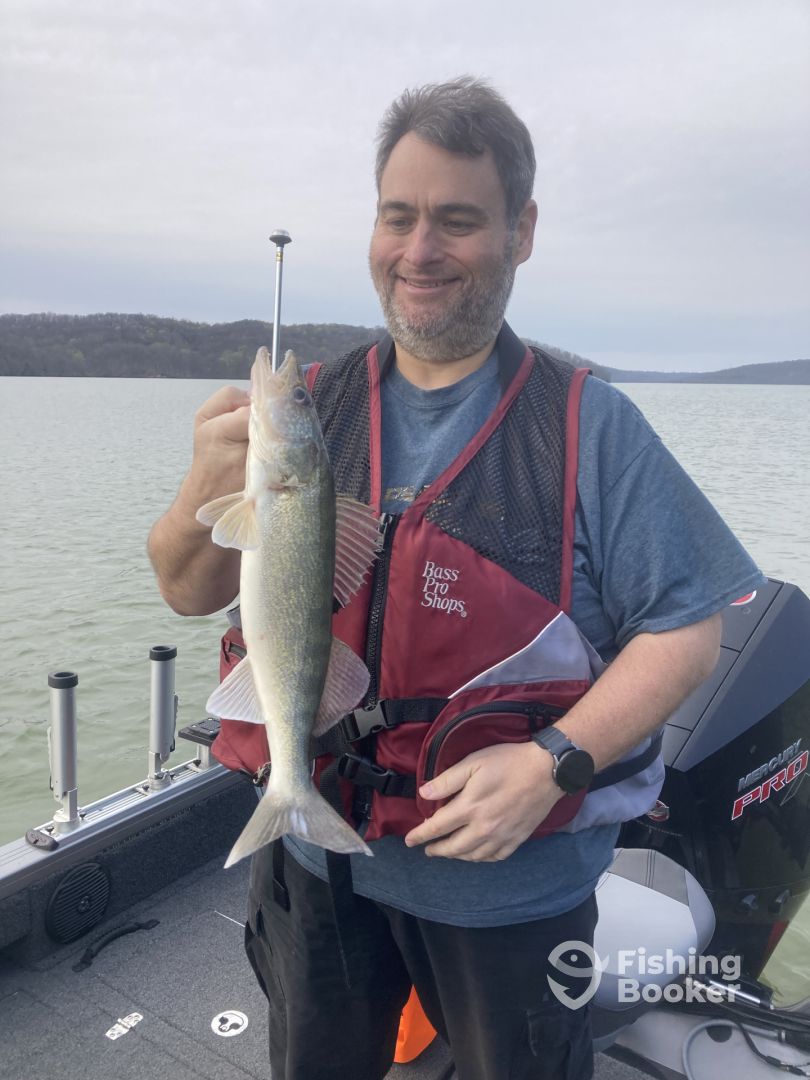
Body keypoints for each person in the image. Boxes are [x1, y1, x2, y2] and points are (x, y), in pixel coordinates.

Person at [148, 77, 765, 1080]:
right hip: (315, 861)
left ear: (521, 232)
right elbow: (187, 590)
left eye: (458, 221)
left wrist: (554, 762)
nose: (419, 249)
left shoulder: (591, 427)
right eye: (398, 216)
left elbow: (687, 630)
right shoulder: (311, 409)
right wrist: (199, 492)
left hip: (508, 895)